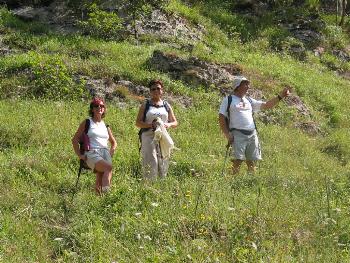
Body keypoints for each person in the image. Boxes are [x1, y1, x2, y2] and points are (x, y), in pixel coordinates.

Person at [218, 76, 290, 174]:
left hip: (252, 134)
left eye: (248, 84)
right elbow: (221, 117)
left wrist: (280, 96)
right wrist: (227, 134)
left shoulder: (249, 100)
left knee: (251, 161)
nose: (248, 87)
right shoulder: (228, 99)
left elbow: (267, 105)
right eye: (245, 84)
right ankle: (233, 182)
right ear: (238, 86)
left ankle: (251, 180)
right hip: (237, 133)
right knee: (237, 160)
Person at [72, 98, 117, 194]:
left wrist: (112, 150)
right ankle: (108, 196)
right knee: (108, 168)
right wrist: (79, 154)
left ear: (104, 109)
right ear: (92, 109)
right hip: (92, 152)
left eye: (101, 106)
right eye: (96, 106)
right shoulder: (87, 122)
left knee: (100, 176)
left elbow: (113, 142)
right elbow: (75, 139)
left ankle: (99, 202)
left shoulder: (105, 125)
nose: (99, 107)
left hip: (105, 152)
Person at [136, 79, 178, 180]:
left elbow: (175, 122)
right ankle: (149, 185)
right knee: (151, 160)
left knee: (163, 161)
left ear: (162, 90)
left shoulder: (166, 105)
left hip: (162, 136)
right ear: (150, 91)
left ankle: (160, 185)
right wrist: (151, 125)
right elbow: (138, 123)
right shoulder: (146, 104)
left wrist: (168, 125)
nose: (156, 91)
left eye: (158, 88)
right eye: (153, 89)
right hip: (148, 135)